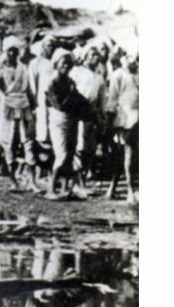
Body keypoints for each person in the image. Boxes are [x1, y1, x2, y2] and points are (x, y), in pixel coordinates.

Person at [0, 36, 37, 189]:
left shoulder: (23, 68)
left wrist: (34, 108)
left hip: (24, 105)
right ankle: (13, 180)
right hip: (7, 106)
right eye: (10, 51)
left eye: (15, 51)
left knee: (28, 142)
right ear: (6, 52)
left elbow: (29, 90)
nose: (13, 54)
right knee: (9, 142)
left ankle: (31, 180)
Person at [45, 49, 94, 199]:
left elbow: (80, 100)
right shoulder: (52, 83)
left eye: (68, 63)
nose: (66, 66)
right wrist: (72, 95)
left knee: (70, 154)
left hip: (72, 119)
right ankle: (51, 189)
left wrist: (92, 113)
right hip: (59, 121)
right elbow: (59, 105)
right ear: (56, 64)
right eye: (63, 63)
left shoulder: (69, 82)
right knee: (62, 154)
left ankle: (65, 188)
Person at [70, 45, 107, 187]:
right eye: (92, 55)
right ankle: (77, 181)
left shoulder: (99, 78)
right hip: (78, 113)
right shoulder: (77, 72)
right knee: (79, 146)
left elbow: (101, 99)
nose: (95, 58)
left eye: (97, 55)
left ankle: (84, 177)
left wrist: (101, 116)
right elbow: (70, 90)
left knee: (90, 148)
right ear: (85, 57)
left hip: (92, 114)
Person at [105, 51, 139, 203]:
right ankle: (129, 190)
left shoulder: (139, 74)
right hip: (125, 118)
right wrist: (110, 122)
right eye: (133, 59)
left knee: (131, 155)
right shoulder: (118, 75)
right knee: (126, 153)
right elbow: (112, 99)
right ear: (125, 59)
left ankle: (113, 187)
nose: (135, 62)